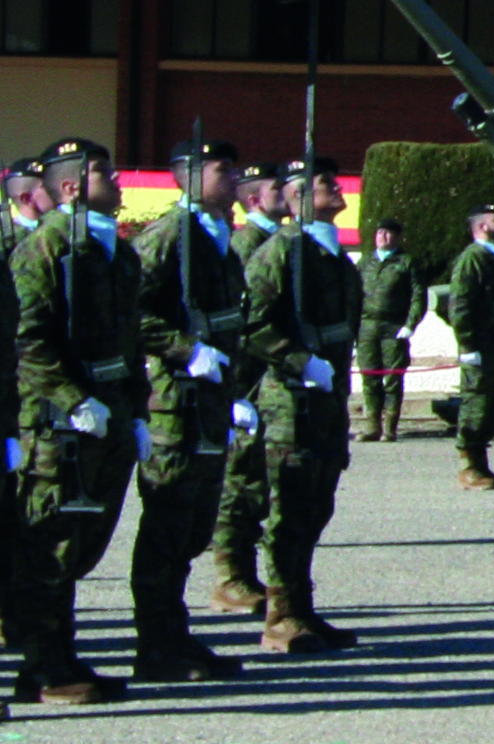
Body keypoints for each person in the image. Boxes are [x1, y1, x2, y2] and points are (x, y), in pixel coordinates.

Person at [9, 139, 143, 706]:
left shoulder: (115, 252)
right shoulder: (42, 250)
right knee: (50, 546)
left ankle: (63, 656)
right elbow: (28, 340)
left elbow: (130, 340)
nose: (115, 181)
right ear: (69, 187)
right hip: (62, 429)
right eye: (101, 173)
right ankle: (42, 666)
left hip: (107, 419)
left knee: (82, 545)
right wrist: (73, 399)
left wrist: (135, 412)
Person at [128, 136, 252, 682]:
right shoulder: (167, 238)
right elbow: (130, 311)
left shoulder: (215, 238)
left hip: (209, 402)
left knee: (193, 527)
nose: (235, 178)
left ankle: (174, 636)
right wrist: (187, 350)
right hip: (174, 405)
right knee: (167, 525)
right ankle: (155, 645)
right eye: (223, 169)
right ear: (188, 175)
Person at [246, 153, 361, 653]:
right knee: (288, 509)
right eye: (323, 184)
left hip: (327, 401)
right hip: (290, 401)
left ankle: (303, 608)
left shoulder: (329, 252)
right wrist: (296, 360)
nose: (336, 189)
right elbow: (251, 323)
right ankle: (281, 616)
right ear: (295, 198)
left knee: (316, 507)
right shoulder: (281, 252)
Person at [210, 161, 290, 603]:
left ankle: (244, 571)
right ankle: (230, 575)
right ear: (255, 199)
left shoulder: (279, 242)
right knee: (240, 481)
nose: (286, 195)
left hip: (269, 381)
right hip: (246, 382)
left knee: (260, 483)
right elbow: (240, 321)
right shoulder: (246, 245)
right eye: (278, 189)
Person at [447, 202, 494, 491]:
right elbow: (462, 304)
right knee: (476, 403)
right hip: (482, 345)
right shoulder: (473, 258)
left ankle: (481, 464)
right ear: (481, 226)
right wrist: (467, 343)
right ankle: (469, 466)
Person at [354, 216, 418, 442]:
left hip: (393, 326)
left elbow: (417, 296)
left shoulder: (406, 262)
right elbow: (352, 295)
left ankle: (390, 427)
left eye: (389, 233)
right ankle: (372, 425)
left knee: (392, 378)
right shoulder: (365, 262)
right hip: (367, 326)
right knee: (369, 376)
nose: (383, 236)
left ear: (398, 237)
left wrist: (410, 324)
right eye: (380, 232)